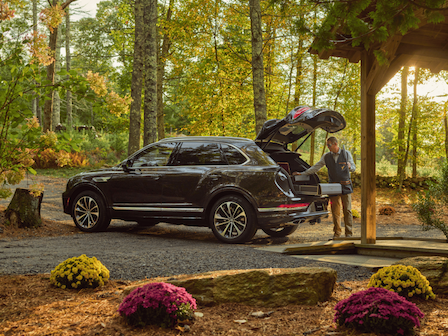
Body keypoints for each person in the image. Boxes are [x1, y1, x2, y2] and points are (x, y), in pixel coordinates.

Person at [293, 136, 356, 239]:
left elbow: (353, 168)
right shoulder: (326, 156)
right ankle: (337, 233)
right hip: (333, 187)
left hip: (346, 185)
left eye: (329, 145)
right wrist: (302, 173)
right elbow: (316, 167)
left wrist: (349, 166)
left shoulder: (346, 154)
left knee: (347, 210)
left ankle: (349, 234)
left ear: (335, 144)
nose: (328, 147)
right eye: (327, 145)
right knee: (335, 211)